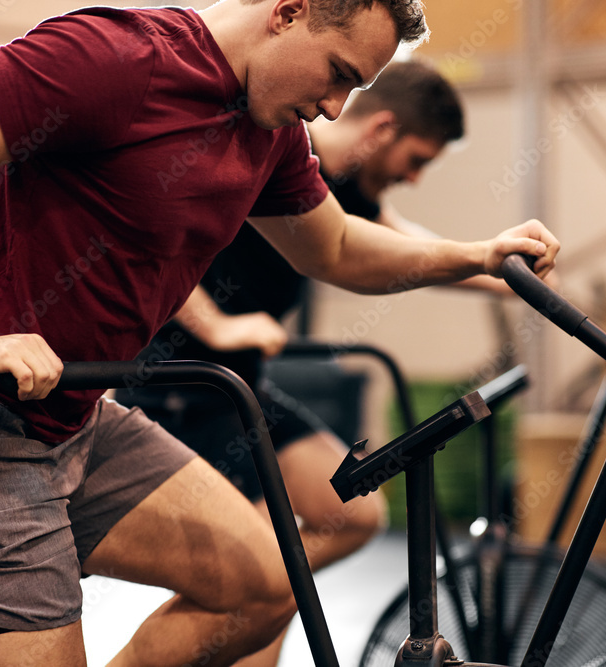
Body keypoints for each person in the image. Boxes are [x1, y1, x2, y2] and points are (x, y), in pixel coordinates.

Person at [0, 1, 559, 666]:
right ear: (289, 11)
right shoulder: (117, 56)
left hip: (74, 420)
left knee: (268, 584)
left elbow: (338, 247)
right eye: (339, 74)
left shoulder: (272, 133)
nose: (335, 108)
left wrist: (479, 254)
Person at [115, 58, 507, 667]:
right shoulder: (262, 153)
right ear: (381, 130)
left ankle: (230, 610)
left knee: (350, 514)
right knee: (269, 579)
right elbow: (158, 239)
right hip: (178, 386)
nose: (414, 178)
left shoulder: (338, 187)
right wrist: (214, 322)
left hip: (242, 388)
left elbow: (399, 249)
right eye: (417, 160)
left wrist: (497, 270)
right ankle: (236, 606)